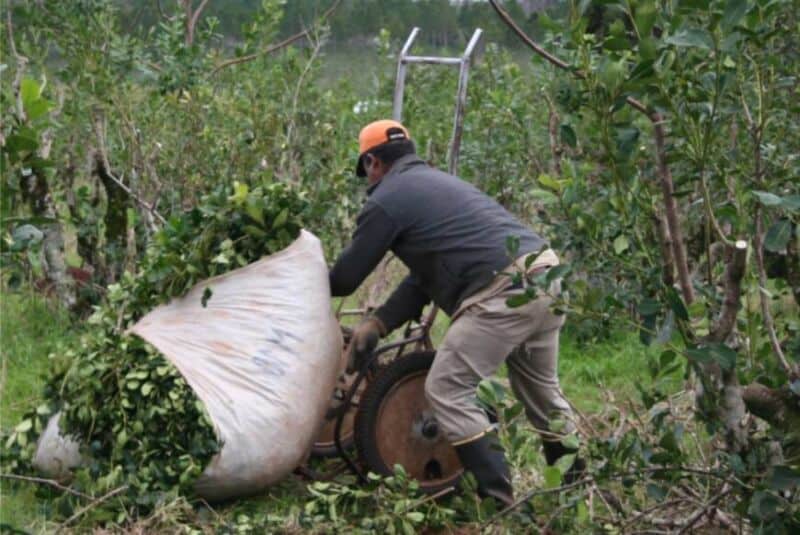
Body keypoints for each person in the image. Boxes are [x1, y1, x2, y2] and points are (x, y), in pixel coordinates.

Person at [329, 119, 584, 507]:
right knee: (542, 395)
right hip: (547, 276)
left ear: (372, 163)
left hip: (504, 291)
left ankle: (498, 503)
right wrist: (378, 323)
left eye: (367, 172)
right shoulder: (439, 184)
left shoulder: (386, 198)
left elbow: (345, 278)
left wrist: (299, 281)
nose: (369, 181)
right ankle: (576, 496)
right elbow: (424, 279)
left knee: (447, 389)